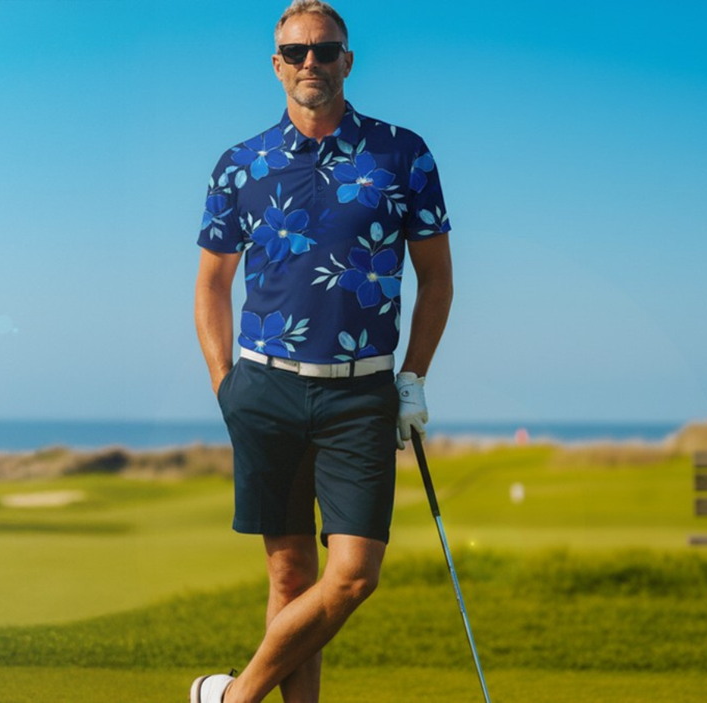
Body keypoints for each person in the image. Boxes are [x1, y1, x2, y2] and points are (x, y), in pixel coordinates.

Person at [189, 2, 453, 702]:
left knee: (354, 575)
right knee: (289, 577)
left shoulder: (403, 153)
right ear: (276, 65)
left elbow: (437, 278)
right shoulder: (240, 166)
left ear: (348, 60)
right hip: (265, 389)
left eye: (326, 50)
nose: (312, 62)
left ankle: (233, 696)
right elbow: (212, 284)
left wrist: (413, 378)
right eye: (297, 52)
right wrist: (225, 384)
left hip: (361, 395)